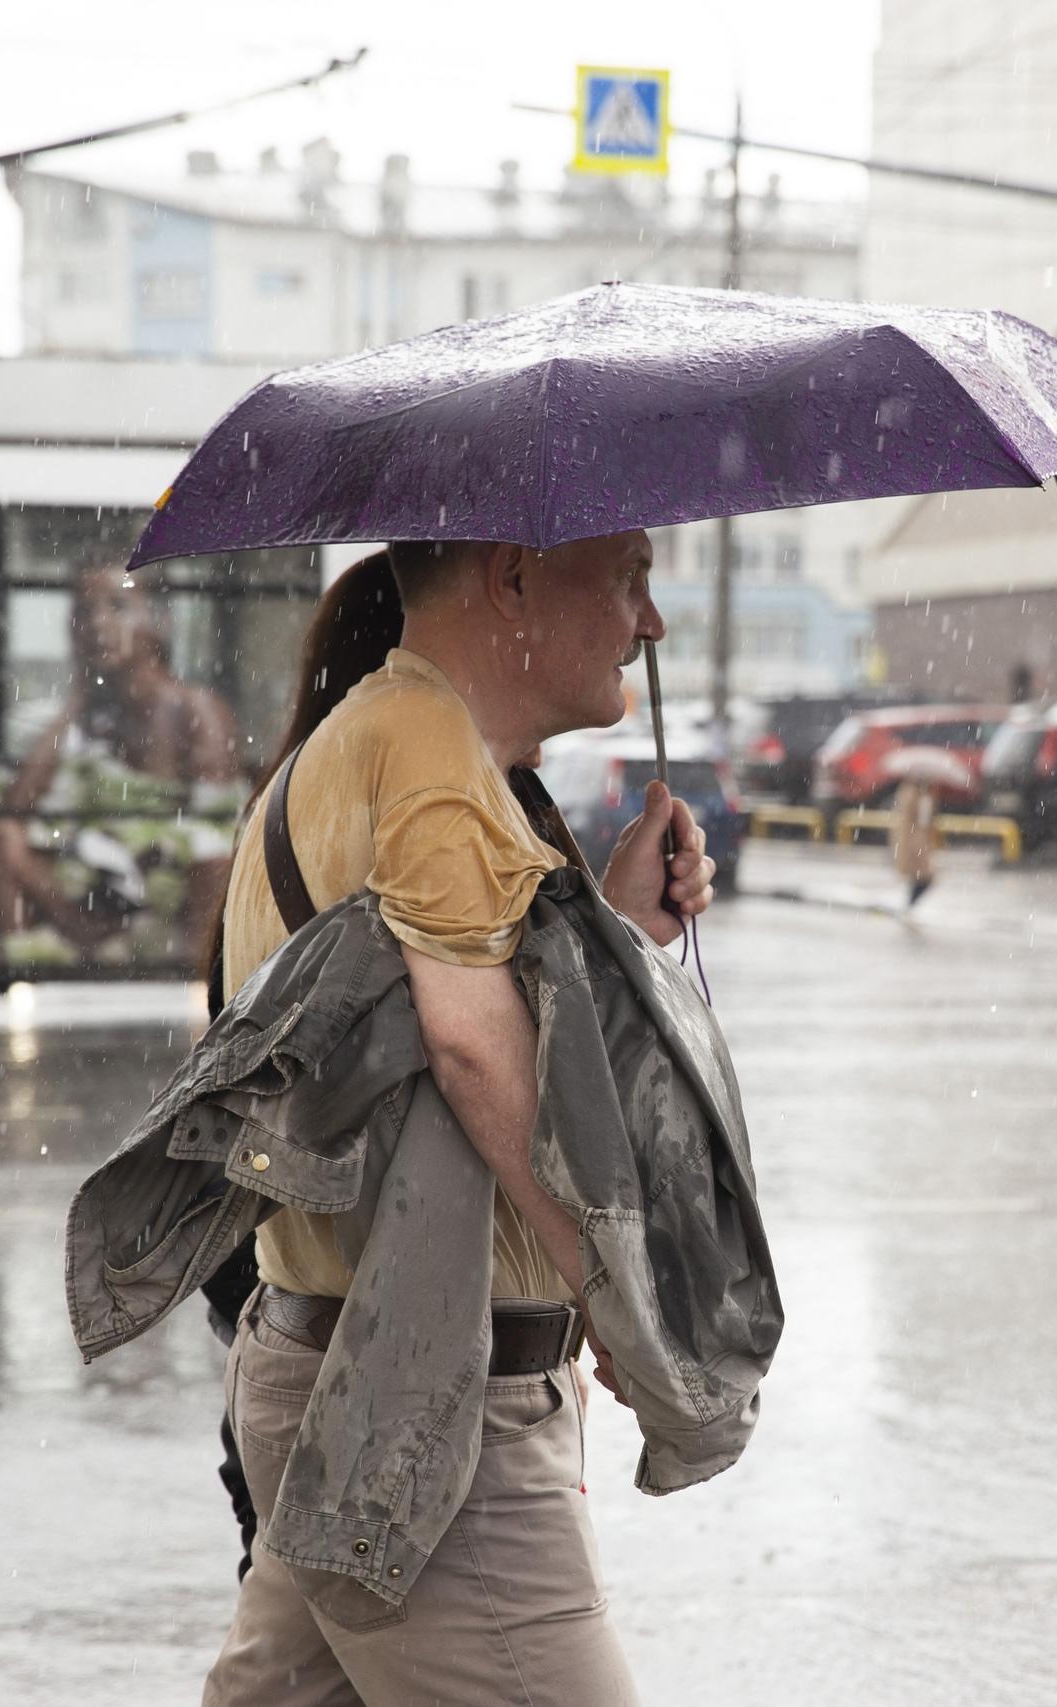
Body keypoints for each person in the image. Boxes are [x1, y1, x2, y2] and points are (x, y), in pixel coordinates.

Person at [203, 537, 714, 1705]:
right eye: (629, 574)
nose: (652, 621)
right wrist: (620, 1296)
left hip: (355, 1362)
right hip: (425, 1403)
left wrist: (620, 925)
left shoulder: (407, 746)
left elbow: (452, 1036)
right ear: (514, 578)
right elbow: (473, 1050)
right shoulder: (426, 747)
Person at [0, 561, 242, 963]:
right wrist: (77, 700)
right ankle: (54, 945)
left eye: (118, 607)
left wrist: (148, 850)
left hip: (164, 874)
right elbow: (18, 802)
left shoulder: (194, 708)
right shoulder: (92, 712)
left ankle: (203, 968)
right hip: (91, 874)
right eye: (84, 611)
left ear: (158, 621)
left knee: (211, 853)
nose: (98, 624)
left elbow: (217, 823)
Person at [891, 773, 940, 910]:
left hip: (914, 840)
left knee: (919, 877)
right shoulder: (916, 796)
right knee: (925, 877)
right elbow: (919, 822)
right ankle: (910, 905)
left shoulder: (914, 793)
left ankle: (909, 905)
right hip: (916, 842)